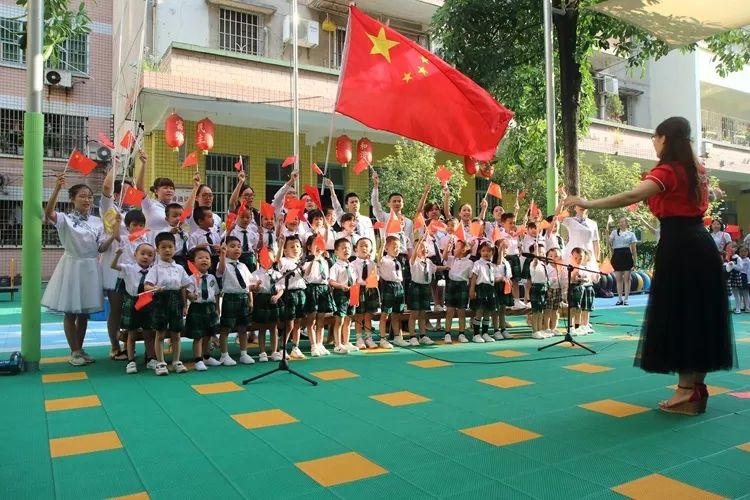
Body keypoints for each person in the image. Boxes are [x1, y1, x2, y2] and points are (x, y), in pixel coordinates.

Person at [565, 116, 736, 415]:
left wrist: (587, 203)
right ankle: (696, 387)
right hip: (701, 244)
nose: (654, 144)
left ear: (666, 139)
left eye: (655, 138)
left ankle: (686, 391)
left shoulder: (668, 171)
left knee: (681, 314)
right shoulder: (697, 170)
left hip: (680, 246)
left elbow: (631, 195)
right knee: (698, 315)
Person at [42, 175, 104, 366]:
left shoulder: (97, 221)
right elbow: (48, 213)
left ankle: (80, 349)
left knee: (84, 312)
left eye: (90, 197)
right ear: (72, 199)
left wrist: (115, 232)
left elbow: (100, 248)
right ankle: (74, 351)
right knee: (71, 312)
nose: (87, 200)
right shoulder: (65, 219)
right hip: (72, 266)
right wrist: (56, 189)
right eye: (83, 196)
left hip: (91, 267)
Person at [144, 232, 193, 376]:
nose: (167, 250)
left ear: (175, 248)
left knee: (176, 334)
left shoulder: (179, 268)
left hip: (176, 300)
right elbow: (146, 286)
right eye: (163, 247)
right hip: (160, 300)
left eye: (170, 247)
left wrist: (185, 305)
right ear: (157, 250)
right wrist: (154, 288)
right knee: (160, 333)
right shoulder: (155, 269)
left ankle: (176, 361)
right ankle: (160, 362)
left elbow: (184, 287)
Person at [111, 243, 157, 374]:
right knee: (132, 333)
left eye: (150, 255)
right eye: (142, 253)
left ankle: (150, 358)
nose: (146, 257)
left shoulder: (154, 271)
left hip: (148, 302)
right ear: (135, 254)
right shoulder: (129, 268)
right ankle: (131, 360)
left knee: (149, 333)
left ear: (154, 258)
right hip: (133, 302)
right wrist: (118, 255)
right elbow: (113, 266)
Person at [216, 237, 255, 365]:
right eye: (232, 246)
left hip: (243, 297)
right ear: (225, 249)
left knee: (243, 327)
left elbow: (249, 284)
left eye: (238, 246)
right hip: (230, 297)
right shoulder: (223, 263)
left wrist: (251, 297)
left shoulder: (243, 265)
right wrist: (222, 255)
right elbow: (220, 272)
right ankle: (224, 354)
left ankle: (244, 353)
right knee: (226, 328)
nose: (237, 248)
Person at [351, 238, 389, 349]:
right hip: (358, 289)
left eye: (367, 246)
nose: (364, 248)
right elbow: (354, 278)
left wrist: (374, 276)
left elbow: (376, 277)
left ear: (371, 249)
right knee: (358, 315)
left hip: (370, 289)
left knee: (368, 315)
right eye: (361, 246)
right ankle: (359, 338)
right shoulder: (353, 264)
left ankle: (369, 338)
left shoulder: (372, 264)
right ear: (356, 249)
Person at [302, 234, 335, 356]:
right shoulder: (307, 260)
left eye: (321, 244)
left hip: (323, 289)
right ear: (309, 247)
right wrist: (313, 259)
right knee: (311, 321)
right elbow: (306, 274)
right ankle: (313, 345)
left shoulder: (325, 261)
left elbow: (327, 277)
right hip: (312, 289)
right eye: (316, 244)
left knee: (321, 319)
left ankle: (320, 343)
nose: (318, 247)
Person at [278, 235, 307, 359]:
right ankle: (281, 348)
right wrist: (280, 245)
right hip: (289, 294)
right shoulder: (284, 261)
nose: (295, 249)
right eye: (291, 246)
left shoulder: (302, 262)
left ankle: (296, 346)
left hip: (301, 293)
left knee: (298, 323)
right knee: (289, 324)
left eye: (298, 246)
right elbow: (278, 260)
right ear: (285, 250)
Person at [329, 239, 359, 354]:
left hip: (351, 294)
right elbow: (331, 281)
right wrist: (341, 286)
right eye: (343, 248)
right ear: (336, 252)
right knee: (339, 320)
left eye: (348, 248)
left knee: (348, 319)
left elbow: (355, 281)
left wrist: (355, 297)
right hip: (340, 293)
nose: (346, 250)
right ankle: (338, 344)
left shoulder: (351, 266)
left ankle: (346, 342)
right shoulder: (335, 267)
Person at [325, 178, 375, 243]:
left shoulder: (366, 220)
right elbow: (336, 206)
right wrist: (332, 189)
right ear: (346, 205)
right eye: (352, 202)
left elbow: (371, 238)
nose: (355, 204)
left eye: (356, 202)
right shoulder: (343, 217)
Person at [443, 237, 473, 343]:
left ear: (463, 250)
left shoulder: (469, 263)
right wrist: (448, 247)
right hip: (451, 284)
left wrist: (470, 290)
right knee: (450, 310)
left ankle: (461, 333)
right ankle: (447, 333)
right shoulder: (452, 259)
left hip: (462, 286)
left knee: (461, 311)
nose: (454, 249)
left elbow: (470, 277)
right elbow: (444, 257)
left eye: (456, 247)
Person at [379, 236, 407, 347]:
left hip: (398, 285)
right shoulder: (384, 259)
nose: (397, 249)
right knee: (385, 313)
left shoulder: (398, 261)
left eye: (398, 247)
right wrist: (381, 245)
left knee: (397, 313)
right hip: (388, 286)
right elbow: (379, 258)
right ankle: (382, 338)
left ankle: (397, 337)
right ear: (386, 248)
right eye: (394, 246)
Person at [468, 241, 499, 343]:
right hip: (481, 288)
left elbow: (493, 278)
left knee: (488, 312)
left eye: (489, 251)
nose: (486, 253)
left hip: (490, 289)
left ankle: (485, 333)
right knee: (479, 311)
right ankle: (476, 334)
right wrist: (472, 290)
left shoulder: (492, 265)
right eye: (483, 251)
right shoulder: (477, 263)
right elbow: (474, 277)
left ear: (493, 252)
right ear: (480, 252)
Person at [610, 217, 638, 306]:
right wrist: (607, 236)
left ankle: (626, 299)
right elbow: (609, 243)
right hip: (617, 255)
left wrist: (635, 261)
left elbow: (634, 249)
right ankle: (619, 298)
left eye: (623, 222)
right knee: (618, 279)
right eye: (620, 222)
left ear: (627, 223)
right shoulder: (614, 232)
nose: (621, 224)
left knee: (627, 279)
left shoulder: (631, 234)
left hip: (627, 256)